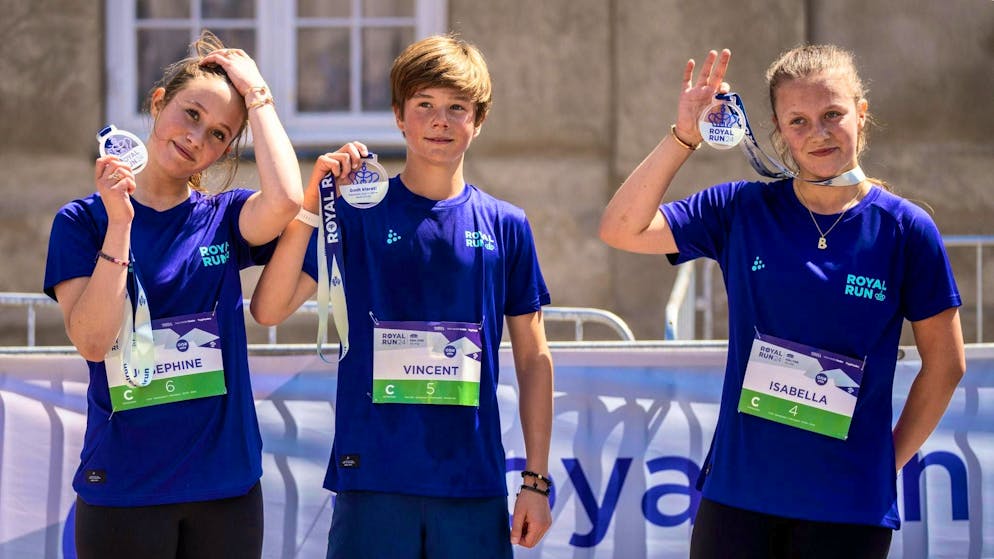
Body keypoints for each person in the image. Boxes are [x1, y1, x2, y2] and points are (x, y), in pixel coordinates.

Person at [599, 45, 965, 558]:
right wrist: (684, 137)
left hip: (847, 505)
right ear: (778, 130)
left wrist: (884, 461)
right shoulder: (740, 209)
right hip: (738, 498)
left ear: (861, 113)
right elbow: (621, 228)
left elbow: (946, 365)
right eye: (799, 121)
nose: (818, 132)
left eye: (832, 114)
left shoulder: (906, 230)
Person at [250, 34, 554, 558]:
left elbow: (533, 356)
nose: (441, 120)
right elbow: (268, 309)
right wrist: (309, 202)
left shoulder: (507, 225)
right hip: (372, 479)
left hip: (470, 484)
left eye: (457, 107)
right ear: (399, 116)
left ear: (478, 121)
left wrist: (536, 481)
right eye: (425, 105)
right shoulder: (354, 212)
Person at [44, 31, 302, 558]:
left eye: (217, 134)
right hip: (125, 487)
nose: (196, 139)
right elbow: (93, 342)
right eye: (190, 115)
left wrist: (259, 97)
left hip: (224, 487)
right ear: (158, 104)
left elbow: (286, 200)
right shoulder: (81, 222)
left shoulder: (224, 217)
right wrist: (120, 225)